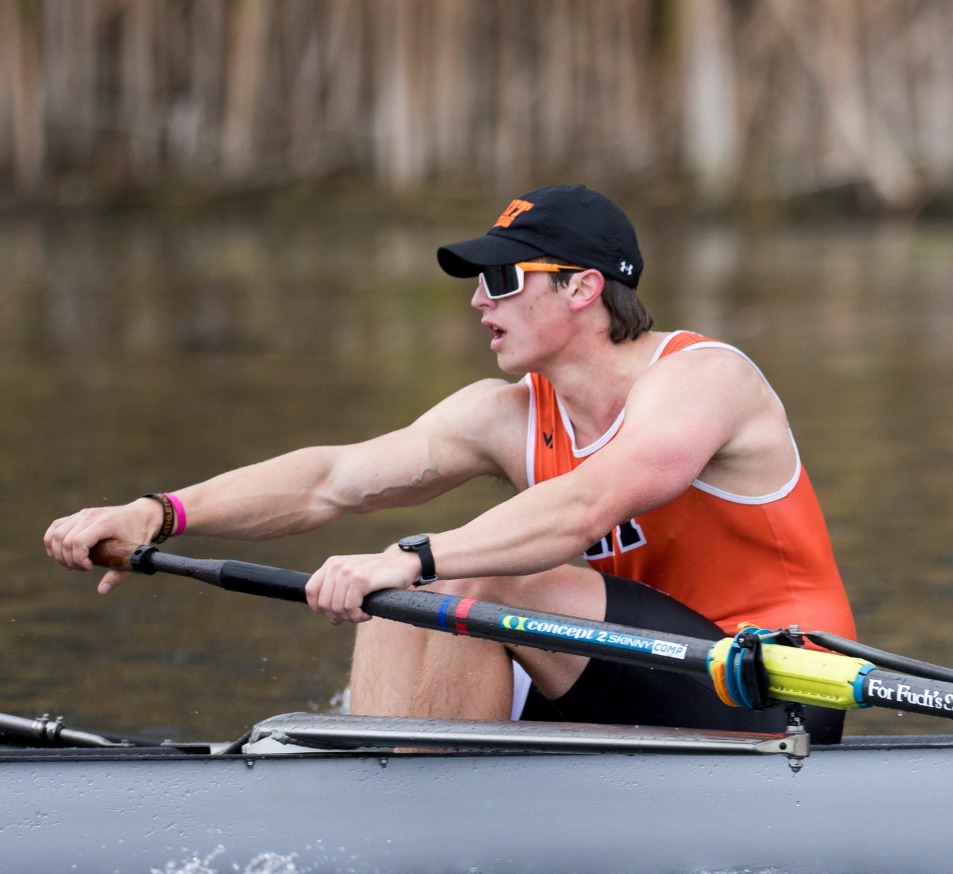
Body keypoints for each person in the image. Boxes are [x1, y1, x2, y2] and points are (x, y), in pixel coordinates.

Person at [45, 184, 856, 740]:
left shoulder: (703, 380)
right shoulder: (508, 415)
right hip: (645, 682)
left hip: (778, 690)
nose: (477, 301)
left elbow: (586, 506)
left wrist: (414, 556)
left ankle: (423, 810)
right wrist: (159, 513)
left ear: (581, 289)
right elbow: (330, 480)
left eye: (501, 279)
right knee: (408, 593)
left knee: (472, 574)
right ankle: (383, 782)